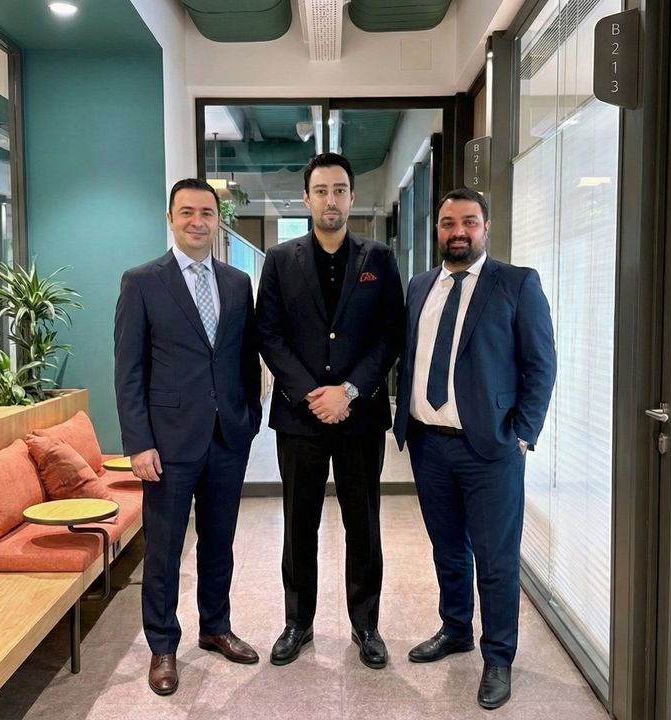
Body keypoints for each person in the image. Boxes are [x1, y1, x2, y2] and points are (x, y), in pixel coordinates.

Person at [393, 188, 556, 710]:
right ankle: (456, 628)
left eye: (469, 221)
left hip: (491, 450)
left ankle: (499, 656)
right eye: (448, 223)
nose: (458, 231)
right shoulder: (421, 286)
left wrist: (523, 434)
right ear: (437, 229)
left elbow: (541, 365)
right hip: (429, 445)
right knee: (447, 548)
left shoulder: (517, 283)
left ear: (486, 227)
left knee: (495, 558)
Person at [255, 152, 405, 669]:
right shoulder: (280, 260)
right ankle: (297, 622)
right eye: (321, 191)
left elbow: (390, 334)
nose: (331, 200)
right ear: (306, 198)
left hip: (360, 417)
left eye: (339, 190)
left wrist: (350, 390)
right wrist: (311, 393)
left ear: (352, 196)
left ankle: (367, 625)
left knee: (363, 524)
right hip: (300, 418)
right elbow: (268, 334)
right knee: (299, 524)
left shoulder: (379, 258)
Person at [114, 178, 263, 696]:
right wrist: (138, 443)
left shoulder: (237, 282)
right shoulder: (141, 281)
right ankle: (162, 646)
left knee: (219, 542)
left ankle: (215, 627)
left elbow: (245, 358)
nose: (197, 221)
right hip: (167, 442)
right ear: (170, 218)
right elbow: (128, 370)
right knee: (164, 549)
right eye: (187, 212)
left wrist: (250, 417)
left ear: (217, 219)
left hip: (227, 437)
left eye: (206, 212)